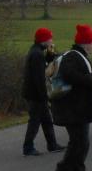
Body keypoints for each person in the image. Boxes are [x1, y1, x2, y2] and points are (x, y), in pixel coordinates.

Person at [51, 24, 92, 171]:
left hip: (78, 108)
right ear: (85, 43)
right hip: (72, 108)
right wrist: (89, 80)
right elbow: (69, 75)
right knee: (78, 142)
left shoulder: (78, 56)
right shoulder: (73, 57)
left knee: (82, 142)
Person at [21, 27, 65, 156]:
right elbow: (39, 78)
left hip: (34, 93)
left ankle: (52, 144)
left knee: (46, 120)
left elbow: (43, 68)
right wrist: (45, 95)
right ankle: (28, 147)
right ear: (44, 40)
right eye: (50, 38)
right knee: (35, 121)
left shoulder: (37, 52)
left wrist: (50, 56)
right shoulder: (37, 55)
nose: (51, 41)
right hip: (35, 94)